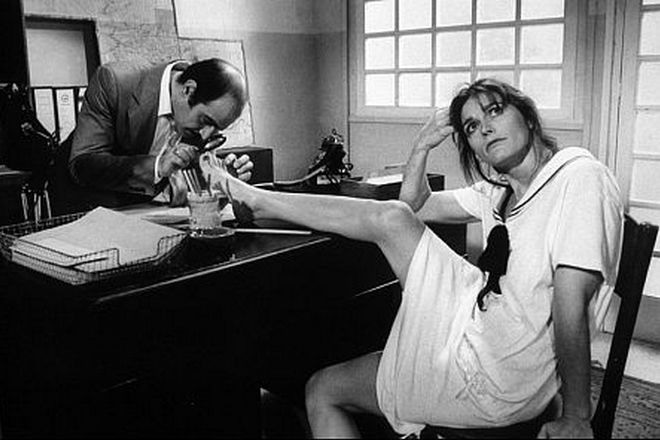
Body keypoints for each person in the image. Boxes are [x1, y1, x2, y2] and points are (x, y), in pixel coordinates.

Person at [200, 78, 623, 438]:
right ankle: (259, 201)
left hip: (497, 378)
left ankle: (258, 200)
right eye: (472, 127)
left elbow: (571, 301)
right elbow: (412, 205)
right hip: (477, 333)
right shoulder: (500, 191)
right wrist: (421, 145)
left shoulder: (578, 175)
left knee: (321, 390)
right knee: (393, 219)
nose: (485, 129)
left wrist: (576, 416)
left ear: (527, 116)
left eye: (495, 111)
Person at [66, 57, 253, 208]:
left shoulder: (203, 117)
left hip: (146, 212)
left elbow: (188, 186)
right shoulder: (115, 82)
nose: (204, 136)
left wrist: (223, 182)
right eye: (206, 121)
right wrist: (158, 167)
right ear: (188, 90)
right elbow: (82, 165)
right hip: (85, 203)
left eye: (216, 130)